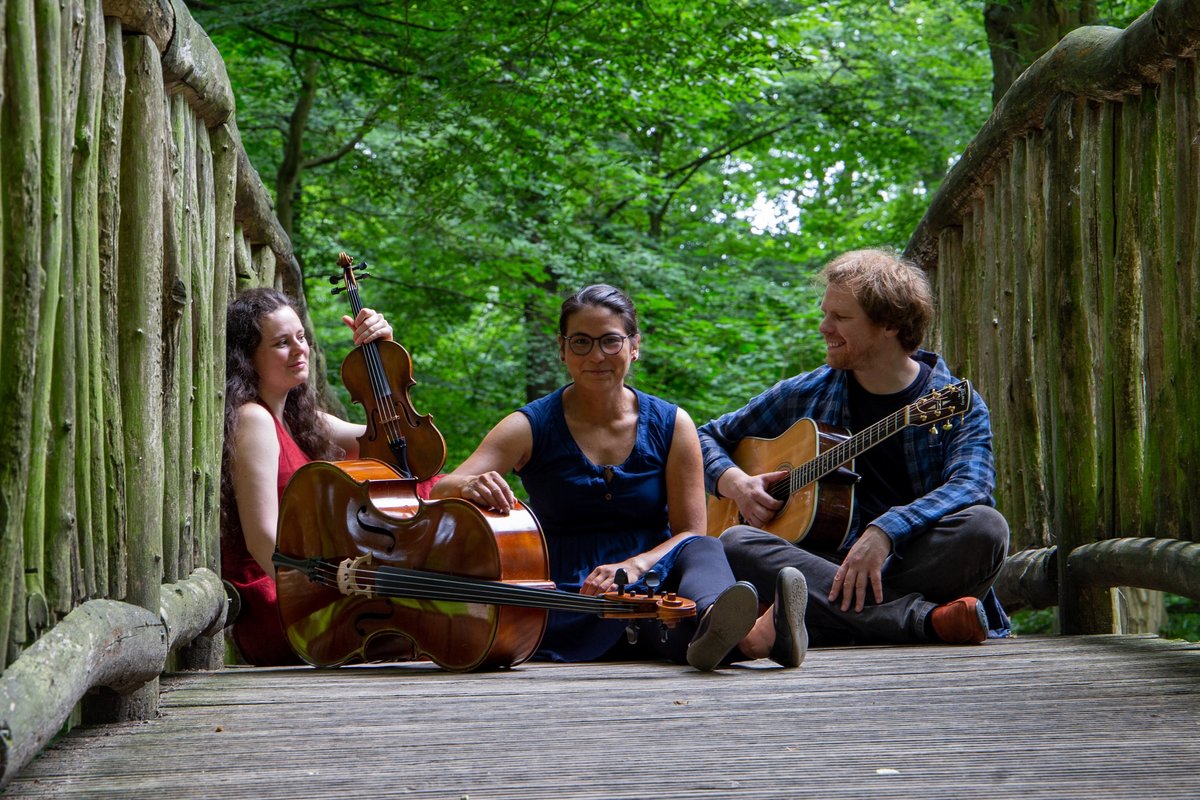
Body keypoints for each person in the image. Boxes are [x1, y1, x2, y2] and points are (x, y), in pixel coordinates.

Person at [431, 284, 807, 671]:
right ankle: (749, 639)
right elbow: (441, 490)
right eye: (580, 342)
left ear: (634, 346)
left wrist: (638, 566)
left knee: (704, 549)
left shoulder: (673, 424)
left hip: (657, 581)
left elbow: (691, 532)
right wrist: (466, 485)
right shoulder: (528, 426)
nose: (596, 356)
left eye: (611, 341)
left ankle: (716, 620)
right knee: (654, 621)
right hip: (572, 596)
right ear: (562, 349)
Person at [698, 248, 1011, 648]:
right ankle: (925, 619)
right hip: (825, 564)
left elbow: (972, 485)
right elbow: (705, 436)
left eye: (840, 317)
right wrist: (737, 484)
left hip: (907, 560)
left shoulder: (951, 401)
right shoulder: (807, 391)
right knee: (735, 543)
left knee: (986, 528)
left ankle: (805, 619)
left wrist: (886, 531)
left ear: (890, 325)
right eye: (826, 312)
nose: (823, 327)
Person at [220, 286, 423, 666]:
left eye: (301, 337)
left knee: (424, 487)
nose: (300, 350)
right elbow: (263, 539)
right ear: (248, 358)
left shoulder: (302, 421)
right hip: (282, 598)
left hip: (318, 581)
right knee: (417, 615)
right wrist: (327, 588)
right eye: (282, 343)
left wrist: (383, 356)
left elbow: (402, 449)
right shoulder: (254, 419)